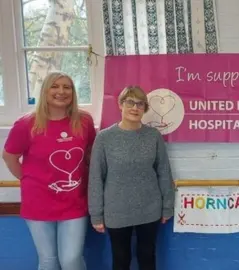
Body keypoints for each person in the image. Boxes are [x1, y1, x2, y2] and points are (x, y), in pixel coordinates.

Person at [2, 71, 96, 270]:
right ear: (45, 91)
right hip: (38, 203)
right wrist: (29, 179)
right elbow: (9, 157)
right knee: (48, 261)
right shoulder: (26, 124)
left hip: (75, 202)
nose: (61, 91)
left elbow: (91, 156)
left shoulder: (85, 121)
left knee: (71, 259)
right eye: (55, 86)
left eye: (67, 87)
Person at [88, 86, 175, 270]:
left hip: (149, 209)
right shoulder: (105, 138)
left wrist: (167, 206)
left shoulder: (153, 136)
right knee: (121, 259)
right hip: (116, 210)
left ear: (145, 108)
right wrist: (96, 214)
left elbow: (164, 172)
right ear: (120, 105)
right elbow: (96, 177)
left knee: (147, 257)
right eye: (130, 102)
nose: (135, 108)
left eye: (140, 103)